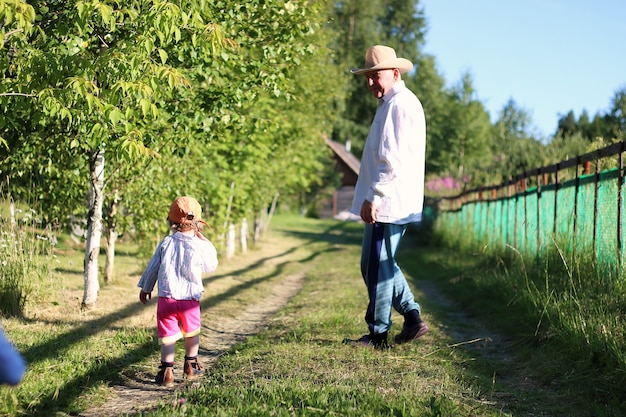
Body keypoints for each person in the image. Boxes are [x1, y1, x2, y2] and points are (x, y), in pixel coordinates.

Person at [345, 45, 429, 349]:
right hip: (389, 200)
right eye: (367, 77)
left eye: (375, 76)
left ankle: (379, 334)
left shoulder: (399, 105)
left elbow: (390, 159)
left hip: (388, 202)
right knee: (376, 265)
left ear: (395, 73)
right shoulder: (394, 103)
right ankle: (412, 318)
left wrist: (375, 196)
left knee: (378, 267)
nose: (370, 83)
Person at [138, 196, 218, 386]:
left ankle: (167, 372)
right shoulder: (200, 245)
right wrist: (205, 241)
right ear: (197, 222)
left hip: (167, 298)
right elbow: (211, 265)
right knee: (191, 333)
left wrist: (146, 287)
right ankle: (191, 366)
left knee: (168, 336)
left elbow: (153, 268)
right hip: (190, 299)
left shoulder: (166, 243)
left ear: (171, 221)